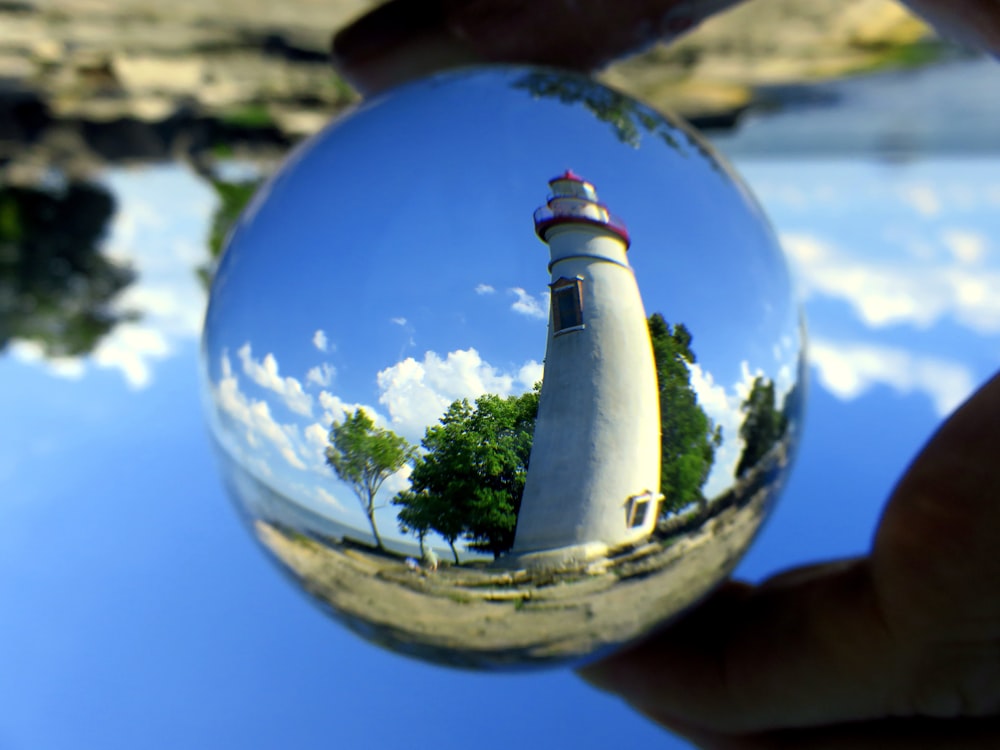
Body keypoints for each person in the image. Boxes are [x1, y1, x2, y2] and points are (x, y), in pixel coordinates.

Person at [329, 2, 1000, 747]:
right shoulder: (579, 259)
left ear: (586, 215)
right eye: (568, 200)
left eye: (573, 199)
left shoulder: (587, 254)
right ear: (574, 215)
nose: (570, 203)